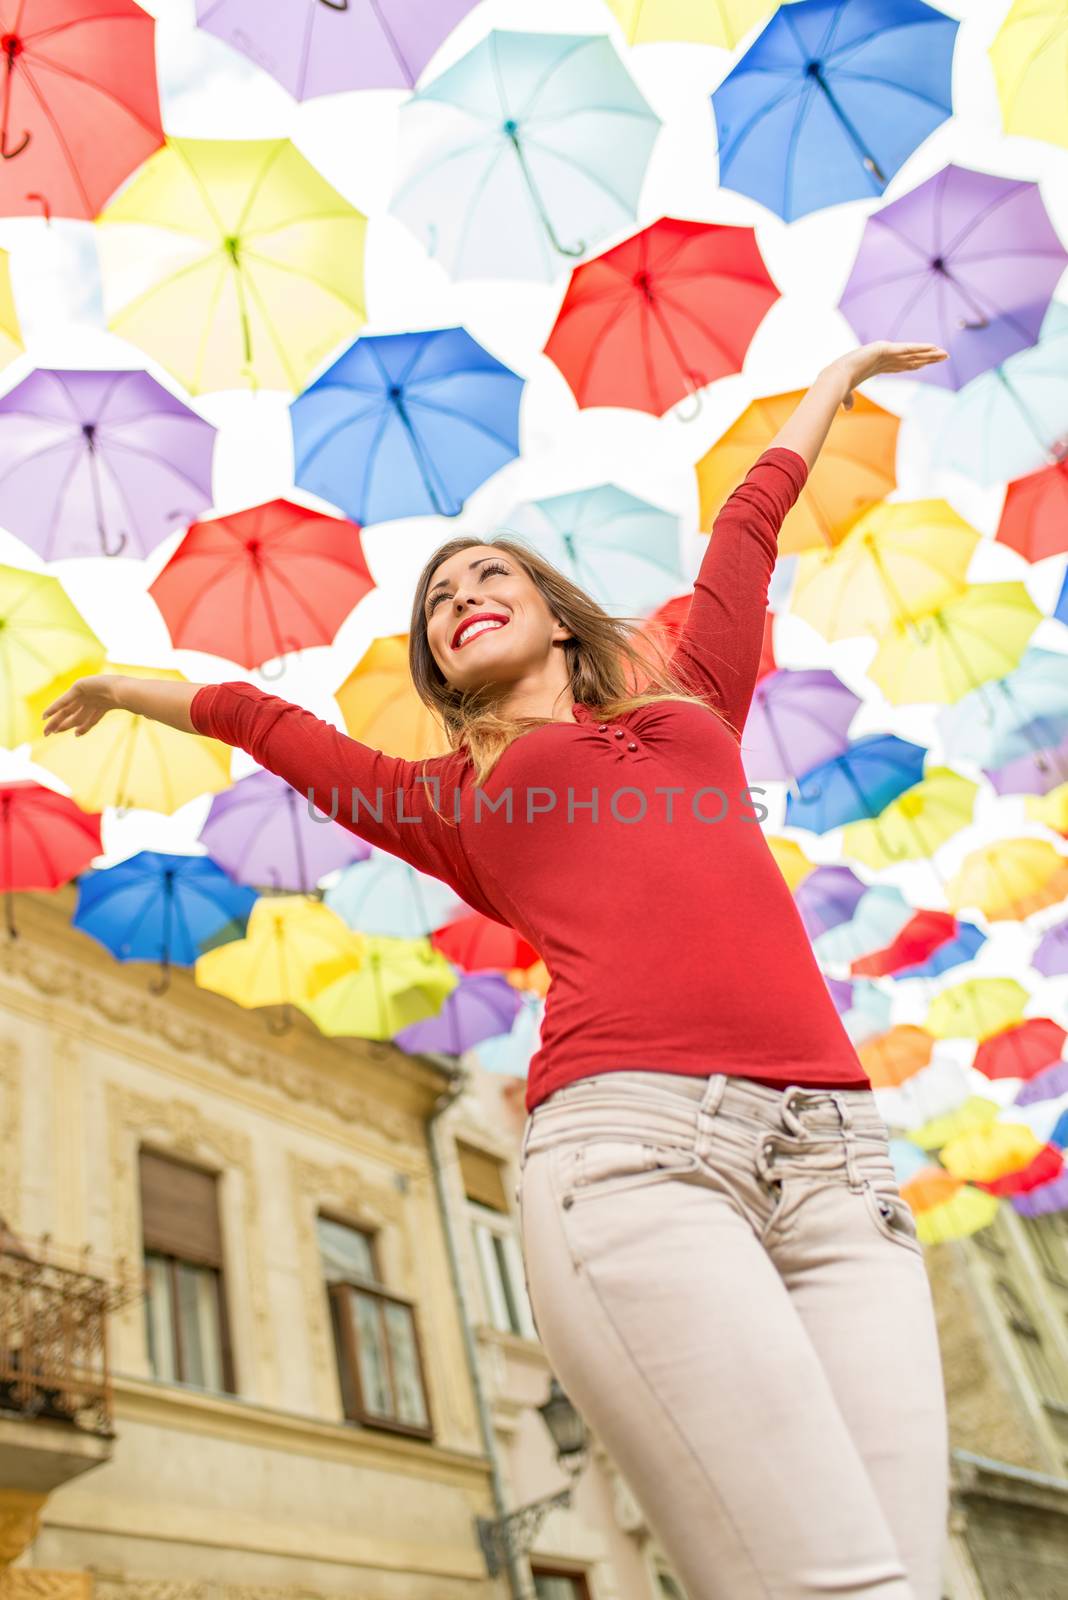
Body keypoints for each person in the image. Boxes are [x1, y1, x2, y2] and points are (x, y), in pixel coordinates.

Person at [43, 341, 951, 1600]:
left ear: (551, 606)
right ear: (437, 662)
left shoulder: (695, 700)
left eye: (491, 571)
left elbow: (747, 526)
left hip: (843, 1166)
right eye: (438, 598)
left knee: (911, 1578)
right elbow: (269, 721)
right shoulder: (447, 798)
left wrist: (832, 380)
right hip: (639, 1159)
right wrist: (123, 686)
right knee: (839, 1587)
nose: (462, 590)